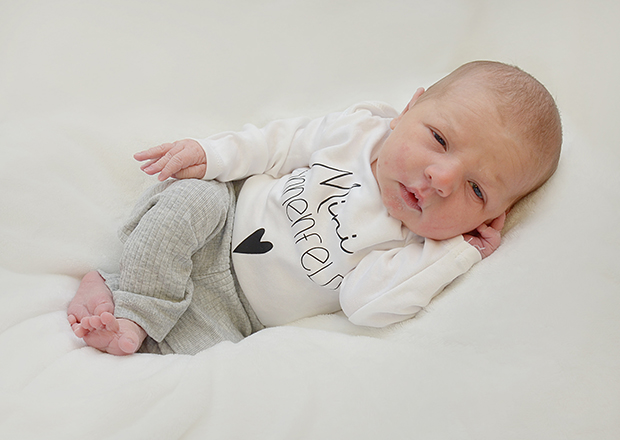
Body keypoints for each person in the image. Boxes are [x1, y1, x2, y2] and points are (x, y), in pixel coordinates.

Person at [67, 60, 562, 355]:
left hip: (241, 314)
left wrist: (456, 254)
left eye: (476, 190)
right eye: (439, 138)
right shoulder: (356, 132)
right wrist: (211, 154)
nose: (442, 178)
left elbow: (366, 306)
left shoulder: (413, 248)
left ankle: (115, 302)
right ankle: (136, 306)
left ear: (491, 218)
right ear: (409, 110)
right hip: (222, 221)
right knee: (185, 202)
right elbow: (278, 143)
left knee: (203, 351)